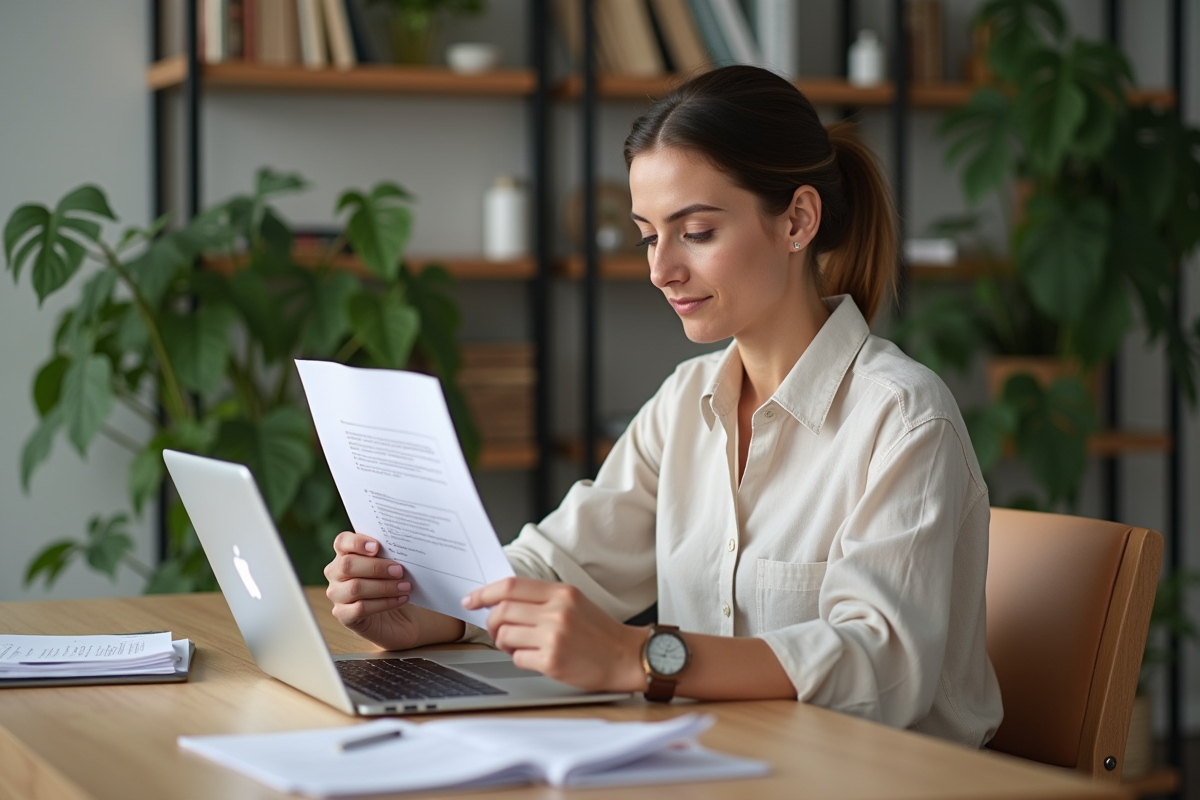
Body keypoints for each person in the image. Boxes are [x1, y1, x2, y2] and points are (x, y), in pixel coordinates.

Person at [324, 65, 1003, 748]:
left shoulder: (903, 418)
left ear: (797, 220)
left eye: (697, 231)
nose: (660, 269)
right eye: (650, 234)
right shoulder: (685, 402)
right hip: (720, 763)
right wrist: (428, 613)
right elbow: (564, 565)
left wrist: (639, 656)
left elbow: (880, 668)